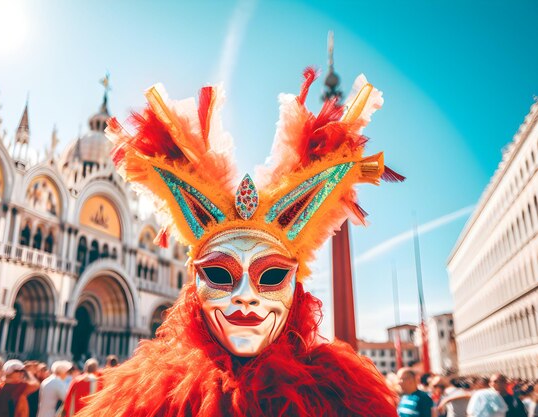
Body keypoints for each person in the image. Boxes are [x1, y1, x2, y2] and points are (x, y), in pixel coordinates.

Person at [76, 69, 402, 416]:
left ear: (297, 290)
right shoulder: (147, 405)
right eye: (218, 273)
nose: (245, 295)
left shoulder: (339, 402)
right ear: (194, 288)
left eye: (272, 275)